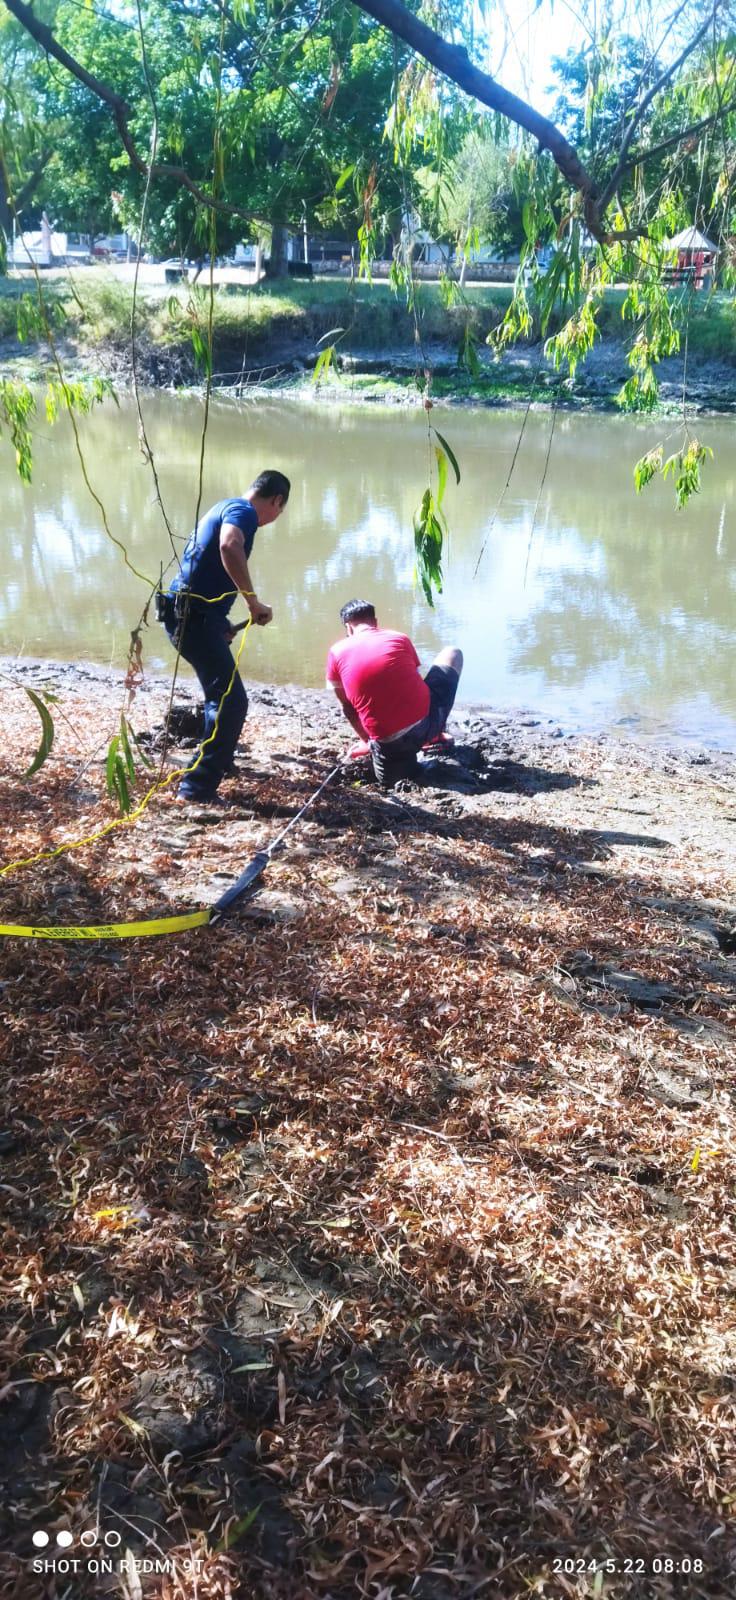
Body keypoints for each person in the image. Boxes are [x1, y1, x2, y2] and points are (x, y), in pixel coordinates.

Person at [162, 469, 290, 803]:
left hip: (192, 615)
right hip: (192, 617)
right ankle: (197, 787)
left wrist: (220, 625)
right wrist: (252, 601)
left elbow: (204, 569)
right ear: (276, 501)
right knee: (231, 702)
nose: (275, 518)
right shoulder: (242, 511)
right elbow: (229, 546)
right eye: (280, 510)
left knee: (219, 696)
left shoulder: (225, 506)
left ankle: (220, 762)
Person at [326, 599, 463, 786]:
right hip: (424, 725)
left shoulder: (335, 652)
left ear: (348, 627)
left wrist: (367, 742)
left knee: (391, 781)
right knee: (452, 653)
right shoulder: (399, 638)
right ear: (375, 622)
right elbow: (415, 684)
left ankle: (400, 761)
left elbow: (348, 708)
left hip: (388, 744)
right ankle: (435, 735)